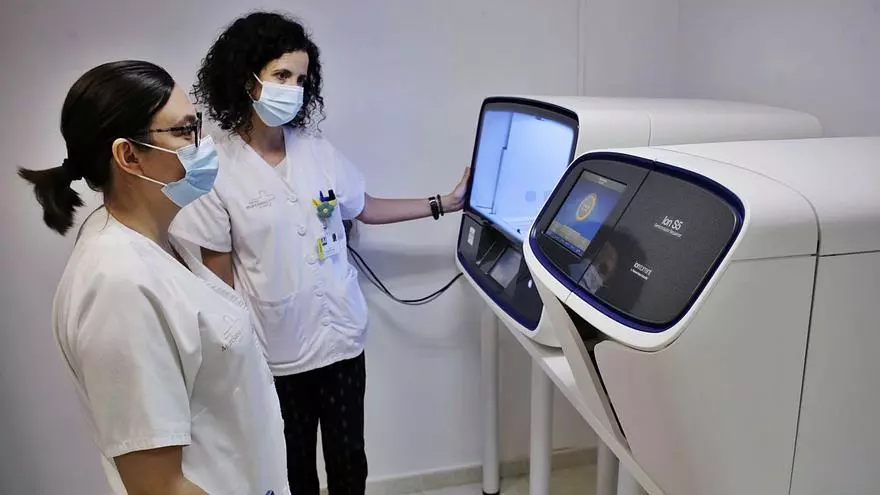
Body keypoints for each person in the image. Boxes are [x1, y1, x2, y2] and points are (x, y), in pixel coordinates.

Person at [169, 12, 469, 494]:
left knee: (350, 462)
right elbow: (220, 283)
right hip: (276, 353)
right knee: (294, 471)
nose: (293, 88)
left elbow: (365, 208)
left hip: (341, 339)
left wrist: (444, 203)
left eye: (301, 79)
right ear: (247, 80)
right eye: (281, 75)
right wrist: (233, 363)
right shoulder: (218, 169)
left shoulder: (315, 150)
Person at [19, 60, 289, 495]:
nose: (203, 143)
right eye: (184, 131)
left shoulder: (160, 242)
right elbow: (158, 487)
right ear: (128, 156)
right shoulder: (118, 284)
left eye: (196, 125)